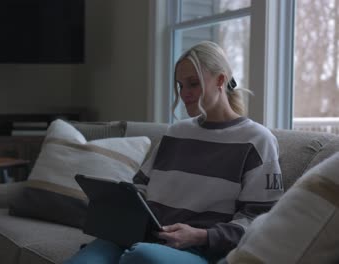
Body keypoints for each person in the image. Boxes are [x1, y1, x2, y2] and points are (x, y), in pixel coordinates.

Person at [64, 41, 284, 264]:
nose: (185, 93)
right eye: (180, 85)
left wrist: (201, 235)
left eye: (193, 84)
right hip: (140, 237)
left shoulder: (257, 140)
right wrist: (117, 205)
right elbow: (140, 187)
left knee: (141, 257)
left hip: (198, 251)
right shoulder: (176, 133)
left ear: (220, 80)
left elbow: (261, 220)